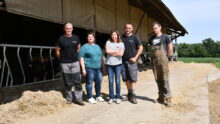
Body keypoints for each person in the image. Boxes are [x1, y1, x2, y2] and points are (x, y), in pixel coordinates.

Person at [55, 22, 84, 106]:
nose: (69, 30)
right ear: (64, 29)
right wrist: (61, 58)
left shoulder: (76, 37)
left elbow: (79, 47)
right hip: (64, 63)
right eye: (67, 28)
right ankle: (69, 98)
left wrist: (75, 55)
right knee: (67, 82)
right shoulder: (61, 38)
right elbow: (57, 50)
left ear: (72, 29)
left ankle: (79, 99)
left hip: (75, 62)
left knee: (77, 81)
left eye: (70, 28)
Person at [148, 21, 172, 107]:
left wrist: (167, 57)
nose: (154, 30)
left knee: (165, 79)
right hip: (154, 61)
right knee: (157, 79)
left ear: (160, 27)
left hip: (163, 60)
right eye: (153, 28)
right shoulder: (151, 38)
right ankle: (161, 97)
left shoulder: (165, 37)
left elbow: (170, 47)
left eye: (156, 28)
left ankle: (168, 98)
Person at [79, 32, 105, 104]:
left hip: (98, 67)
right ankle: (90, 97)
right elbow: (81, 58)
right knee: (89, 82)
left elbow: (101, 57)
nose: (90, 38)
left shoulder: (97, 46)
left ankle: (98, 95)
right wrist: (83, 69)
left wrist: (103, 66)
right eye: (89, 37)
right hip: (89, 67)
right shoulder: (84, 47)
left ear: (94, 38)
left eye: (92, 37)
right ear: (87, 38)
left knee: (98, 82)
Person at [121, 24, 143, 104]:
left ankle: (133, 95)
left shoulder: (135, 37)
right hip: (123, 61)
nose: (127, 29)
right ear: (124, 28)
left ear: (132, 29)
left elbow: (141, 47)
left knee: (133, 79)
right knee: (126, 78)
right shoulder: (121, 37)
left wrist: (135, 58)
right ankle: (129, 94)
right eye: (126, 28)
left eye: (129, 28)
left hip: (132, 61)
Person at [105, 31, 124, 104]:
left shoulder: (121, 43)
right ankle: (111, 97)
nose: (113, 36)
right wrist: (116, 52)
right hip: (109, 65)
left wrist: (112, 52)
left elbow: (121, 54)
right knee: (110, 81)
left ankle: (118, 97)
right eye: (112, 35)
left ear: (117, 35)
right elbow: (107, 51)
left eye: (115, 34)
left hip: (118, 65)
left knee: (118, 81)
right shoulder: (108, 42)